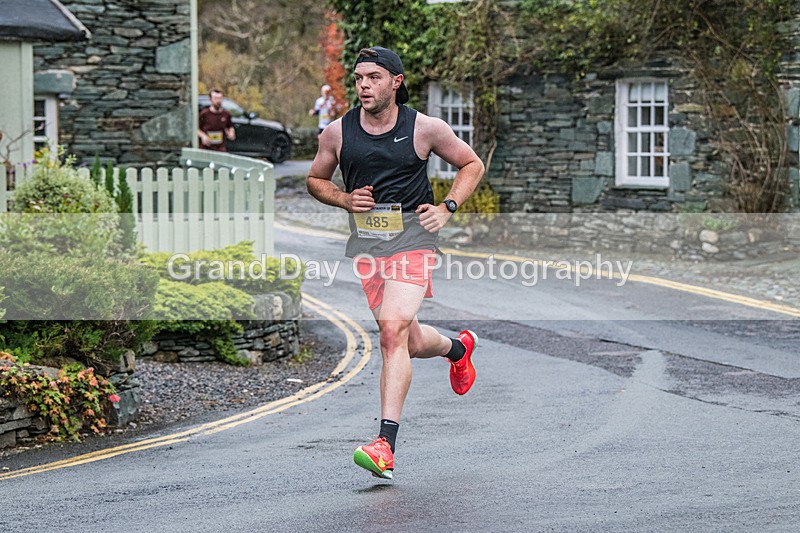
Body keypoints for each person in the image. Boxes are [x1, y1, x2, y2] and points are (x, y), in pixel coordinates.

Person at [307, 46, 485, 480]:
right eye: (358, 78)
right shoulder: (338, 132)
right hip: (368, 248)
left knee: (391, 330)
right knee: (404, 340)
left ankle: (385, 444)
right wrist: (345, 199)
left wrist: (447, 207)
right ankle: (457, 349)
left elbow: (471, 164)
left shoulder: (425, 128)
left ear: (395, 82)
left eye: (372, 77)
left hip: (414, 241)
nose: (363, 85)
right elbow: (315, 179)